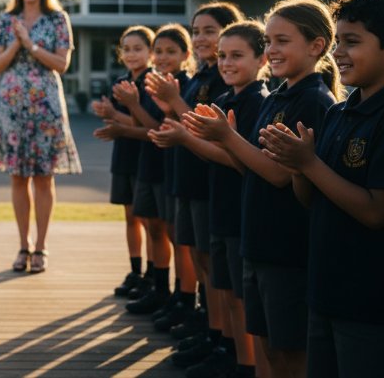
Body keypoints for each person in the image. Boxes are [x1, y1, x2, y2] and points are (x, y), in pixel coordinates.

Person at [184, 0, 342, 378]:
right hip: (260, 241)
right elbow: (249, 167)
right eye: (269, 41)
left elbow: (279, 174)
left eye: (281, 41)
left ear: (316, 46)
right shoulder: (281, 95)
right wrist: (226, 140)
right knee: (270, 349)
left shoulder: (313, 100)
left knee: (291, 355)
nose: (271, 49)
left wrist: (226, 136)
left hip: (287, 250)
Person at [260, 0, 384, 378]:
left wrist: (309, 162)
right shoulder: (340, 112)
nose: (338, 52)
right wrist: (296, 164)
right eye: (338, 41)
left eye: (352, 42)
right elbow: (310, 199)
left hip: (372, 302)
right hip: (325, 290)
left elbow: (376, 211)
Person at [152, 20, 270, 378]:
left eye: (237, 55)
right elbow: (211, 146)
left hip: (238, 208)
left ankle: (243, 362)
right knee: (221, 284)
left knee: (239, 296)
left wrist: (184, 130)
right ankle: (225, 347)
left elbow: (236, 158)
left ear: (261, 58)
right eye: (223, 55)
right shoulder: (225, 97)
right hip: (219, 201)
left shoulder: (256, 101)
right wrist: (181, 130)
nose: (227, 62)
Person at [0, 0, 80, 274]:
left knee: (44, 176)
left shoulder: (58, 19)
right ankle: (23, 246)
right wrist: (17, 43)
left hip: (46, 105)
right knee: (18, 176)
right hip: (12, 106)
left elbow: (62, 64)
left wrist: (32, 45)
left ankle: (41, 248)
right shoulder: (7, 20)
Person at [119, 24, 193, 319]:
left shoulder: (182, 84)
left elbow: (154, 125)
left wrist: (129, 108)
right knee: (153, 227)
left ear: (185, 55)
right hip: (148, 163)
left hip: (170, 167)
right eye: (159, 51)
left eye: (171, 52)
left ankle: (183, 296)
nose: (163, 57)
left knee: (176, 235)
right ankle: (160, 288)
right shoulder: (153, 81)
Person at [92, 26, 152, 294]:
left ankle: (152, 274)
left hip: (146, 157)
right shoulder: (118, 82)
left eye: (138, 48)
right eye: (126, 49)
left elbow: (146, 124)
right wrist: (106, 112)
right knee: (130, 218)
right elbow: (116, 119)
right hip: (124, 155)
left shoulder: (153, 83)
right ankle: (135, 269)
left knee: (148, 220)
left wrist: (114, 117)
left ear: (149, 52)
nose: (131, 54)